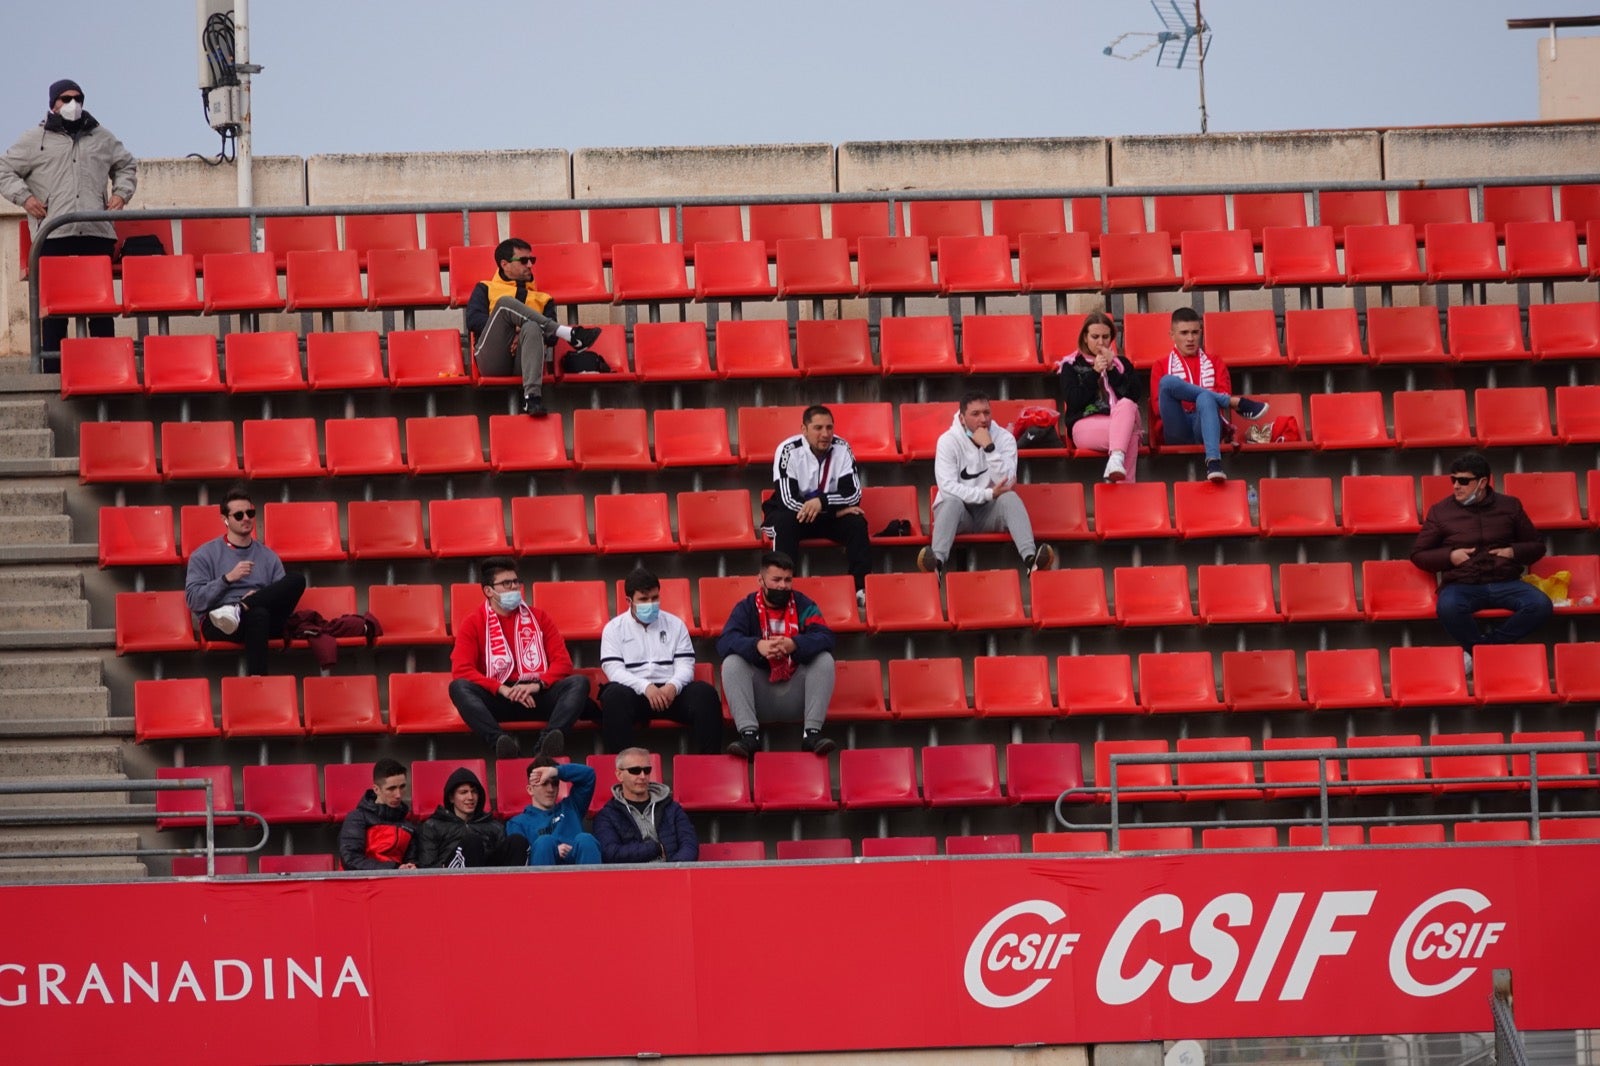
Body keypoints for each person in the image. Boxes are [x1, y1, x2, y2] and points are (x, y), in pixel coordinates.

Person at [0, 78, 137, 355]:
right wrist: (25, 198)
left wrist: (121, 193)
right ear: (53, 105)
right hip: (53, 236)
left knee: (100, 310)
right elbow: (4, 171)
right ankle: (54, 368)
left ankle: (106, 366)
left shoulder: (102, 137)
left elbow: (126, 165)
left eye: (78, 98)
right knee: (55, 312)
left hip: (96, 233)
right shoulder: (32, 140)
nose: (72, 104)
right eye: (65, 98)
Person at [1410, 452, 1552, 674]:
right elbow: (1419, 554)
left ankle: (1482, 652)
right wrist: (1450, 556)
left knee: (1540, 605)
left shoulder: (1510, 506)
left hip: (1506, 582)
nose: (1456, 486)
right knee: (1447, 607)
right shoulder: (1440, 511)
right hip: (1463, 584)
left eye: (1464, 481)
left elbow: (1537, 546)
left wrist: (1512, 551)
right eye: (1453, 480)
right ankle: (1488, 654)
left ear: (1483, 482)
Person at [448, 556, 589, 761]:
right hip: (499, 698)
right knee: (459, 687)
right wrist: (501, 689)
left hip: (536, 695)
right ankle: (502, 745)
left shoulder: (539, 617)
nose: (515, 588)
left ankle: (546, 745)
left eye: (516, 582)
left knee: (579, 682)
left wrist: (538, 685)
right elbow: (462, 670)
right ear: (489, 591)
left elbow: (563, 663)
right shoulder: (473, 622)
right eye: (507, 583)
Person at [917, 392, 1055, 577]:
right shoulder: (948, 441)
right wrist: (987, 494)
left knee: (1010, 497)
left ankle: (1032, 562)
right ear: (962, 418)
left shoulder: (1005, 439)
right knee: (951, 503)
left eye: (986, 413)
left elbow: (1007, 482)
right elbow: (947, 488)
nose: (983, 419)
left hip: (989, 511)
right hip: (959, 512)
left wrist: (989, 448)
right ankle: (936, 565)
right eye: (975, 414)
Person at [716, 552, 837, 759]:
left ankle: (812, 734)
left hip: (797, 693)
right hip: (760, 695)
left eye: (788, 580)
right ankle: (749, 736)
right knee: (731, 663)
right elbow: (725, 641)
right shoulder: (746, 607)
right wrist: (757, 646)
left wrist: (795, 644)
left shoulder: (803, 604)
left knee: (824, 659)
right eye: (776, 580)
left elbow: (826, 637)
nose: (783, 586)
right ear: (761, 580)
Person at [463, 237, 601, 417]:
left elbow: (550, 339)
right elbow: (473, 321)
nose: (529, 265)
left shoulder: (543, 298)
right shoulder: (485, 288)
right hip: (492, 360)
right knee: (506, 303)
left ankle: (532, 398)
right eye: (523, 260)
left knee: (533, 326)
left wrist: (523, 330)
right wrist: (512, 329)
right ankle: (568, 334)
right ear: (504, 264)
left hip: (524, 362)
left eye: (531, 260)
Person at [182, 485, 306, 676]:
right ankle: (257, 681)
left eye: (250, 513)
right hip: (220, 621)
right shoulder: (204, 554)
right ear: (225, 520)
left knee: (297, 579)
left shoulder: (268, 556)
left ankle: (243, 606)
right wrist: (227, 579)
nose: (246, 518)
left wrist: (257, 597)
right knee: (258, 614)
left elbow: (281, 595)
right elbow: (194, 600)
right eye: (239, 515)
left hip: (263, 618)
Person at [599, 567, 723, 755]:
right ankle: (623, 770)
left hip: (670, 693)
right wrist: (646, 687)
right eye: (643, 599)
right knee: (613, 696)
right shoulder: (613, 628)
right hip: (636, 694)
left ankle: (710, 765)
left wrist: (672, 686)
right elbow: (614, 670)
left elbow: (685, 665)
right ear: (629, 601)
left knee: (705, 694)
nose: (651, 603)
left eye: (655, 598)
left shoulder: (675, 624)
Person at [760, 404, 872, 608]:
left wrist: (822, 502)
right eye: (818, 428)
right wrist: (834, 512)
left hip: (825, 514)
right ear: (804, 429)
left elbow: (854, 494)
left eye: (829, 427)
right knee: (785, 523)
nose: (825, 434)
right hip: (791, 516)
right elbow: (788, 500)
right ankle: (782, 593)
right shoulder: (788, 450)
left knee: (856, 522)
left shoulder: (843, 448)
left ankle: (859, 589)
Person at [1151, 306, 1269, 483]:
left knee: (1206, 398)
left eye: (1195, 332)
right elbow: (1157, 408)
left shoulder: (1215, 362)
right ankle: (1235, 403)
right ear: (1172, 335)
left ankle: (1214, 462)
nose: (1190, 338)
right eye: (1184, 333)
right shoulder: (1161, 364)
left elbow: (1220, 397)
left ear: (1201, 332)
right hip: (1177, 427)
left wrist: (1197, 397)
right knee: (1168, 382)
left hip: (1207, 424)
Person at [1057, 311, 1145, 483]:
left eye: (1105, 337)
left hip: (1118, 421)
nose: (1100, 342)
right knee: (1130, 434)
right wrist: (1094, 372)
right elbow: (1074, 401)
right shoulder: (1071, 365)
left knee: (1127, 407)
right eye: (1095, 336)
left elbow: (1134, 396)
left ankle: (1116, 460)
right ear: (1085, 337)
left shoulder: (1123, 364)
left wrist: (1112, 370)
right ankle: (1125, 493)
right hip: (1085, 424)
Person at [592, 748, 698, 863]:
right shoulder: (607, 815)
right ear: (619, 775)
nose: (643, 776)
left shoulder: (672, 808)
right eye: (635, 770)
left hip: (672, 874)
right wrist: (655, 848)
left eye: (647, 770)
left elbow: (690, 844)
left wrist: (674, 868)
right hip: (631, 877)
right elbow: (610, 853)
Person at [414, 765, 529, 868]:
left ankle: (514, 889)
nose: (470, 797)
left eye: (474, 792)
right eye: (463, 792)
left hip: (488, 875)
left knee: (517, 841)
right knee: (472, 841)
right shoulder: (433, 825)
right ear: (451, 798)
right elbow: (427, 866)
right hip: (450, 880)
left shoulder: (493, 825)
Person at [506, 758, 601, 867]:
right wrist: (554, 850)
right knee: (545, 843)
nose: (551, 789)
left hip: (579, 876)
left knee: (586, 840)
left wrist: (556, 771)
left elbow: (588, 775)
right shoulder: (517, 823)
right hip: (541, 879)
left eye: (555, 783)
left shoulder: (572, 806)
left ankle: (594, 884)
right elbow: (520, 859)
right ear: (530, 789)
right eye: (544, 783)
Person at [337, 759, 419, 871]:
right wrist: (394, 869)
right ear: (376, 789)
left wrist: (411, 867)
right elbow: (350, 860)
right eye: (391, 789)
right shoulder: (357, 818)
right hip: (360, 884)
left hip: (396, 882)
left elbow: (412, 861)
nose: (398, 795)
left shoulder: (409, 825)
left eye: (402, 787)